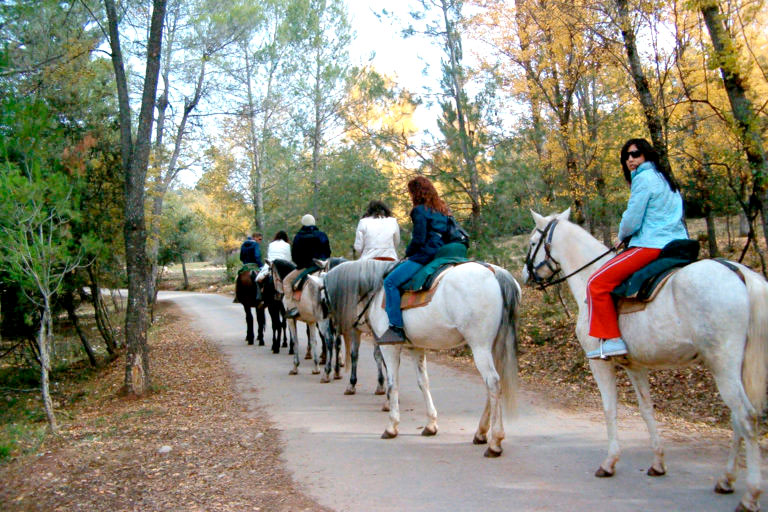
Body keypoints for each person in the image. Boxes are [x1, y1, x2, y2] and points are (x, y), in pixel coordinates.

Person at [585, 138, 688, 359]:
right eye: (626, 156)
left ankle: (613, 340)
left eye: (636, 154)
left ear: (646, 155)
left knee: (596, 283)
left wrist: (622, 236)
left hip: (651, 244)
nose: (631, 160)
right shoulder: (664, 178)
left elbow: (632, 218)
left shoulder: (643, 178)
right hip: (677, 242)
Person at [377, 176, 450, 344]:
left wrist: (408, 254)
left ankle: (396, 327)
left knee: (390, 282)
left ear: (416, 193)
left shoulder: (419, 211)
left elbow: (419, 239)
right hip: (443, 254)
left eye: (411, 192)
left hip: (425, 255)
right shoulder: (442, 209)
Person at [283, 214, 331, 318]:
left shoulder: (298, 237)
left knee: (286, 281)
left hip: (305, 267)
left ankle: (292, 308)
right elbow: (328, 252)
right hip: (323, 266)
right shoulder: (322, 235)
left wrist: (300, 264)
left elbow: (294, 255)